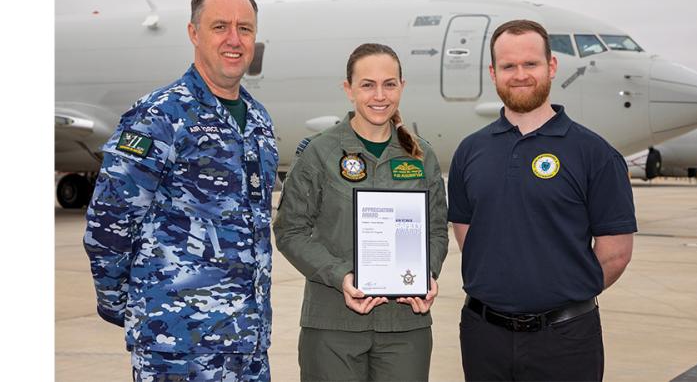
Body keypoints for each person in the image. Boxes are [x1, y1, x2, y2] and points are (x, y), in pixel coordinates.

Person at [83, 0, 278, 381]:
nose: (234, 39)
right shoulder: (160, 116)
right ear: (193, 33)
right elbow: (108, 223)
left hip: (248, 345)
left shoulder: (259, 122)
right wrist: (134, 305)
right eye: (219, 26)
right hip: (177, 347)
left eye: (245, 28)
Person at [448, 19, 636, 382]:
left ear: (551, 67)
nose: (520, 75)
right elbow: (468, 235)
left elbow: (616, 252)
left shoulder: (594, 153)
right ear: (493, 72)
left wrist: (557, 295)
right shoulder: (470, 151)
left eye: (530, 64)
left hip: (566, 340)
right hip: (483, 336)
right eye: (508, 66)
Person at [273, 43, 449, 381]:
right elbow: (290, 231)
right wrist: (340, 276)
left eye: (389, 84)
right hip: (332, 324)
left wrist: (427, 272)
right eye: (367, 84)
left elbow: (437, 230)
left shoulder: (420, 156)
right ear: (348, 89)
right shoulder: (319, 152)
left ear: (402, 86)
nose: (379, 95)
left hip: (405, 324)